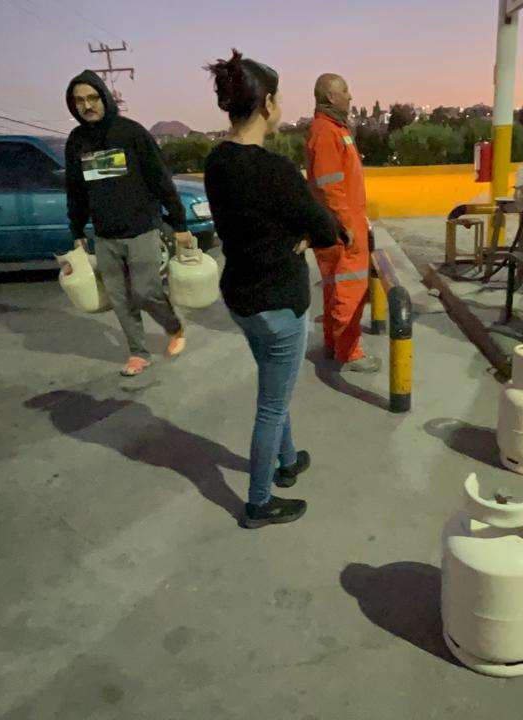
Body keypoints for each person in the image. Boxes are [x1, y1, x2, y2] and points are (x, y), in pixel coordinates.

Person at [203, 50, 342, 529]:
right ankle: (258, 503)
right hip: (278, 302)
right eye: (278, 99)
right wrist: (304, 235)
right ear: (266, 104)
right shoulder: (274, 170)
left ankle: (287, 461)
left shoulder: (217, 161)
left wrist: (292, 232)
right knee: (271, 405)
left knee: (272, 385)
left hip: (241, 298)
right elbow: (324, 227)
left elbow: (251, 221)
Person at [64, 70, 191, 377]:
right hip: (105, 235)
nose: (87, 105)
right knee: (120, 299)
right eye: (79, 101)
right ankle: (138, 352)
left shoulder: (130, 133)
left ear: (104, 98)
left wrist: (179, 223)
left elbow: (160, 179)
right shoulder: (77, 142)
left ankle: (173, 327)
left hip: (141, 229)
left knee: (145, 291)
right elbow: (76, 190)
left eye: (92, 98)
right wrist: (77, 229)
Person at [305, 73, 381, 373]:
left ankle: (334, 344)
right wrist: (348, 224)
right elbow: (329, 184)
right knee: (349, 290)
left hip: (338, 223)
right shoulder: (326, 131)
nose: (350, 96)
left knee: (334, 289)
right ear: (330, 97)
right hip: (342, 227)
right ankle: (349, 352)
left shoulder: (332, 128)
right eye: (345, 91)